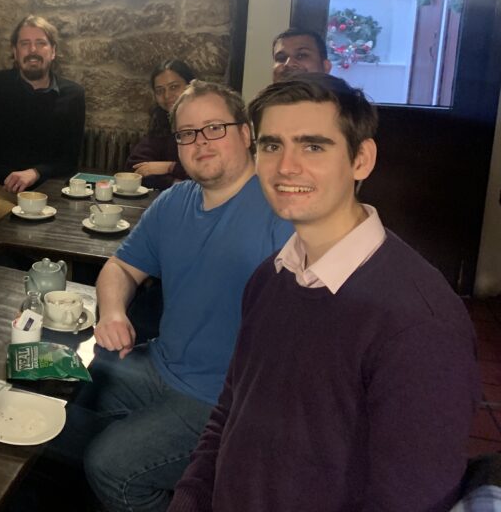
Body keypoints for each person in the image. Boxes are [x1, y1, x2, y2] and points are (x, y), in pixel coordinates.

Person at [170, 74, 479, 512]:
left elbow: (409, 500)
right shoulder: (271, 277)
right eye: (272, 145)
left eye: (313, 146)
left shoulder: (418, 323)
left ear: (361, 160)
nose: (286, 167)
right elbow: (230, 411)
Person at [70, 81, 294, 512]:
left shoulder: (279, 209)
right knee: (73, 404)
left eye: (214, 128)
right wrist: (114, 311)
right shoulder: (174, 201)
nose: (200, 142)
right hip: (158, 366)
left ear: (246, 133)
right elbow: (119, 267)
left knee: (109, 466)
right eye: (187, 133)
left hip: (222, 401)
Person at [0, 15, 86, 226]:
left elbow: (69, 159)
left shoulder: (73, 95)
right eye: (25, 44)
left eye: (41, 43)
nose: (33, 50)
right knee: (15, 226)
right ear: (15, 52)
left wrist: (35, 172)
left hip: (49, 189)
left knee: (70, 229)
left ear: (53, 51)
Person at [126, 59, 196, 190]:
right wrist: (174, 182)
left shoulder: (205, 121)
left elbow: (205, 169)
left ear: (190, 86)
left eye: (174, 87)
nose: (167, 95)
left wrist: (168, 167)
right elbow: (136, 166)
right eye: (160, 90)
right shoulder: (162, 121)